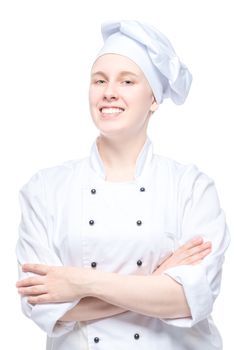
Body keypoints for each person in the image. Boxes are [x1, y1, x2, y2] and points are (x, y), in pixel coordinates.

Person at [16, 20, 230, 350]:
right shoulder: (45, 190)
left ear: (154, 99)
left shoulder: (191, 188)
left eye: (127, 81)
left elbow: (190, 300)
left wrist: (79, 283)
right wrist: (157, 284)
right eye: (99, 80)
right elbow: (45, 308)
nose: (109, 92)